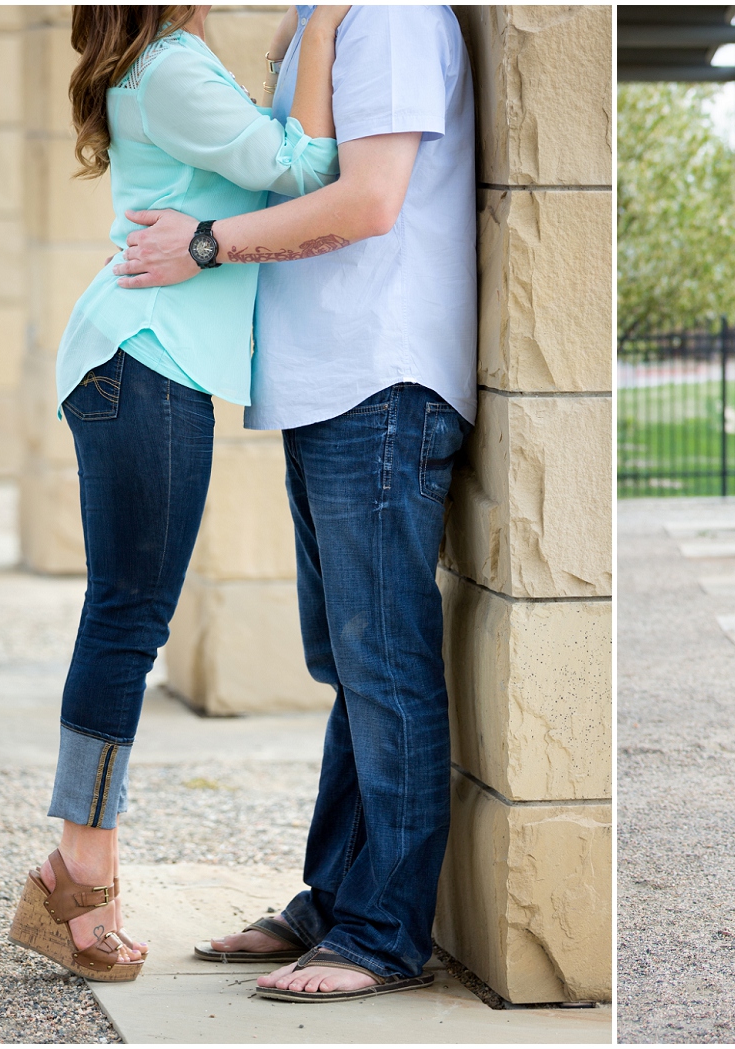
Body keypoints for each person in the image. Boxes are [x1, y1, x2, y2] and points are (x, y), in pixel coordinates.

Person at [111, 5, 477, 1003]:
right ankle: (336, 897)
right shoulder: (329, 16)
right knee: (347, 662)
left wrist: (208, 243)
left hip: (378, 383)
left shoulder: (391, 15)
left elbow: (368, 200)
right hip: (332, 386)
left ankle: (383, 931)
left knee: (384, 664)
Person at [7, 3, 346, 983]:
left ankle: (77, 866)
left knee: (123, 616)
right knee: (127, 620)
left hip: (141, 364)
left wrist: (289, 49)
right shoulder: (172, 69)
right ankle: (80, 875)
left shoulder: (163, 65)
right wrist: (320, 33)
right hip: (144, 364)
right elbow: (307, 172)